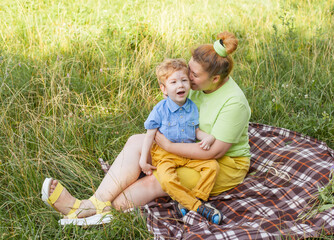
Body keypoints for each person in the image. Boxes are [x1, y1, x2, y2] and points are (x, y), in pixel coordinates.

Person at [41, 31, 251, 226]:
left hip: (220, 163)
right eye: (189, 70)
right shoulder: (196, 85)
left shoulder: (234, 103)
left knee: (156, 181)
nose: (188, 77)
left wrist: (167, 146)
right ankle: (91, 203)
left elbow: (214, 152)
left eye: (193, 75)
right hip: (187, 143)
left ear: (215, 79)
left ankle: (104, 213)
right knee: (136, 141)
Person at [139, 58, 222, 224]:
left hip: (187, 150)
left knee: (213, 166)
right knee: (167, 180)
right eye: (173, 82)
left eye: (184, 80)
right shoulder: (160, 110)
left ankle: (192, 198)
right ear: (164, 88)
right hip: (165, 154)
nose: (180, 86)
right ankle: (199, 207)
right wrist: (143, 159)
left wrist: (209, 137)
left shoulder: (192, 107)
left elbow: (196, 130)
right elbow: (149, 135)